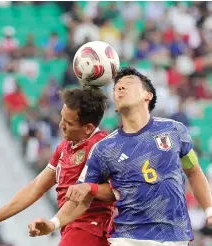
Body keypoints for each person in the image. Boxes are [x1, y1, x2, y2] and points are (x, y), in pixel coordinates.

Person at [28, 67, 212, 246]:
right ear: (115, 106)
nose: (120, 87)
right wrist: (53, 223)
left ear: (148, 95)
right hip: (126, 237)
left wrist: (209, 210)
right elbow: (81, 197)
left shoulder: (174, 130)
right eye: (116, 87)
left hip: (173, 236)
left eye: (129, 83)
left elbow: (194, 173)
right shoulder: (104, 148)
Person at [0, 86, 115, 246]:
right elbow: (36, 188)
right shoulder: (64, 148)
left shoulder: (102, 145)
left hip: (92, 228)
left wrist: (90, 188)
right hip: (69, 227)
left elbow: (117, 190)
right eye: (62, 117)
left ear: (88, 128)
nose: (61, 125)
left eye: (68, 123)